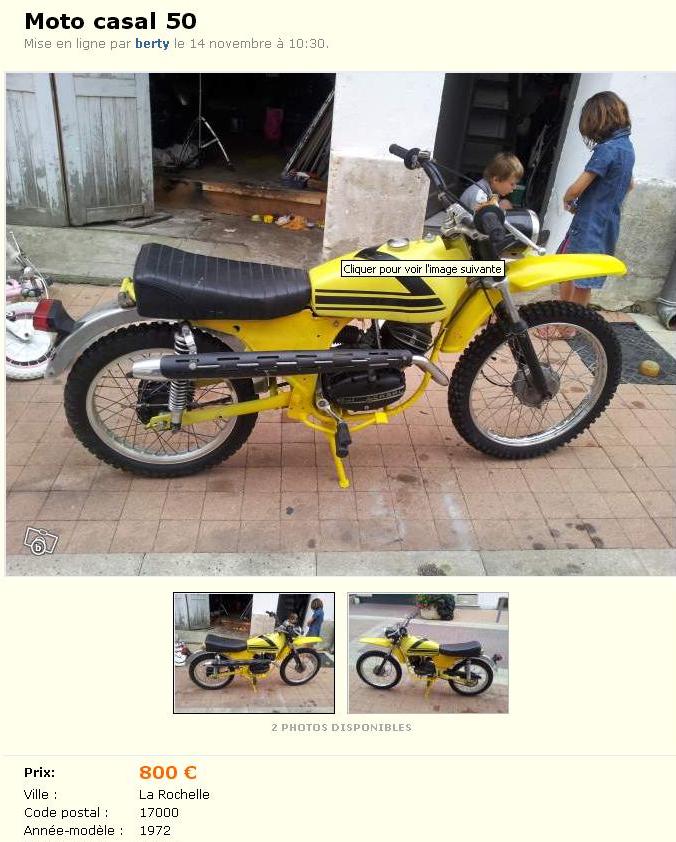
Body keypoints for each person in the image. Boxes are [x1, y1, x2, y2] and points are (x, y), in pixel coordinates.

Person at [549, 91, 635, 336]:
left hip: (589, 224)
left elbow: (577, 187)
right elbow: (630, 185)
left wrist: (568, 198)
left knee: (574, 273)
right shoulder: (628, 148)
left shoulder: (606, 149)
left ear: (597, 121)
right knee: (577, 274)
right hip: (607, 222)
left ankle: (567, 327)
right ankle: (565, 323)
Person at [459, 152, 524, 211]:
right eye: (512, 184)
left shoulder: (491, 191)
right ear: (496, 180)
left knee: (505, 203)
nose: (514, 187)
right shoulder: (480, 197)